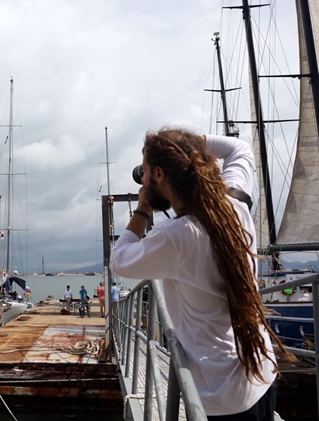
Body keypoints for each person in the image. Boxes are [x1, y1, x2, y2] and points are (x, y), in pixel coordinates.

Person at [110, 128, 292, 419]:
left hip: (223, 395)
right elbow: (239, 149)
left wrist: (143, 207)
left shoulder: (175, 236)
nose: (142, 179)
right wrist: (186, 145)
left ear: (159, 174)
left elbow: (119, 260)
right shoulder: (234, 204)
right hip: (261, 371)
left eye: (143, 172)